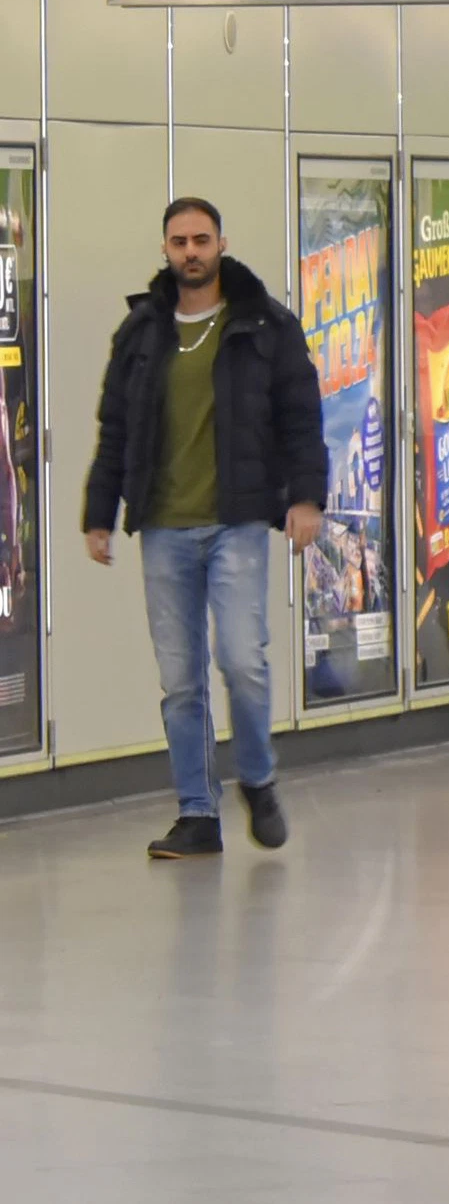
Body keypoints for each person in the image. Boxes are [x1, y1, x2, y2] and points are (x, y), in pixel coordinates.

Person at [80, 196, 324, 859]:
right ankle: (197, 814)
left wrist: (306, 498)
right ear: (164, 248)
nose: (192, 251)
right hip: (162, 526)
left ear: (221, 243)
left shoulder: (265, 324)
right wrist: (100, 514)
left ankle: (259, 778)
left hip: (237, 522)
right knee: (181, 679)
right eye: (180, 240)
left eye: (202, 239)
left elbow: (302, 419)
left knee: (243, 661)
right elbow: (116, 431)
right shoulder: (141, 333)